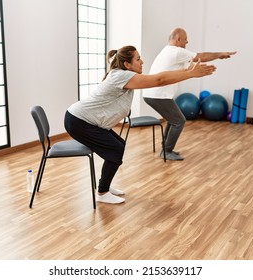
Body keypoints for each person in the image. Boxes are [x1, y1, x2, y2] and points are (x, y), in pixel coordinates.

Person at [64, 45, 216, 204]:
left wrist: (188, 72)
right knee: (115, 150)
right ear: (127, 65)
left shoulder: (123, 75)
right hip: (79, 121)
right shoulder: (121, 76)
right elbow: (159, 80)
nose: (142, 62)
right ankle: (102, 193)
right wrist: (190, 74)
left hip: (83, 120)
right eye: (138, 59)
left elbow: (160, 77)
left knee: (119, 145)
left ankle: (105, 186)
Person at [143, 27, 237, 161]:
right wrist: (219, 54)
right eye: (186, 39)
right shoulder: (176, 51)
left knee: (173, 120)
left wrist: (199, 70)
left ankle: (166, 149)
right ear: (178, 39)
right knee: (179, 121)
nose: (187, 42)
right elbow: (201, 56)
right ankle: (166, 151)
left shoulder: (171, 52)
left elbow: (189, 67)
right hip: (157, 94)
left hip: (154, 94)